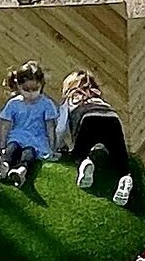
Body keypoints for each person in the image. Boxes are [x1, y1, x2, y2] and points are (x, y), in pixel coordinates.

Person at [57, 69, 136, 207]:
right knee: (119, 155)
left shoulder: (71, 100)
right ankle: (125, 176)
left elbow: (61, 127)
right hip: (112, 118)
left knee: (80, 151)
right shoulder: (98, 98)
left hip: (88, 119)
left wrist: (59, 146)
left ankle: (85, 162)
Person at [0, 62, 60, 182]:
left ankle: (21, 170)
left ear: (41, 85)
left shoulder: (46, 104)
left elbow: (50, 127)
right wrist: (2, 145)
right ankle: (4, 165)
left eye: (35, 89)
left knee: (29, 153)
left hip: (36, 139)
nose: (31, 94)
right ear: (19, 86)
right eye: (26, 90)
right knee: (11, 149)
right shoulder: (14, 104)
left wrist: (52, 148)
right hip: (17, 136)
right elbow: (5, 125)